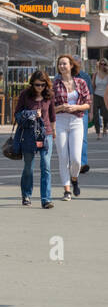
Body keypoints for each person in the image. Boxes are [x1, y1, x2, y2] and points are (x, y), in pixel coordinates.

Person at [14, 70, 56, 208]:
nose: (40, 88)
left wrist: (53, 132)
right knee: (28, 167)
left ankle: (46, 199)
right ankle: (26, 194)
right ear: (32, 84)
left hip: (45, 134)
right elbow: (17, 114)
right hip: (29, 135)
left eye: (43, 85)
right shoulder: (25, 95)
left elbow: (52, 116)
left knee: (46, 165)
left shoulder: (49, 95)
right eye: (37, 85)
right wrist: (32, 113)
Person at [52, 54, 90, 200]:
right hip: (60, 121)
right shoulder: (55, 84)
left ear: (71, 65)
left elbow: (87, 104)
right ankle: (67, 190)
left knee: (76, 159)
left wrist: (75, 107)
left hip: (76, 121)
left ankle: (74, 178)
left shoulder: (81, 82)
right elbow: (49, 108)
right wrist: (60, 107)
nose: (62, 66)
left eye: (64, 64)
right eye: (60, 64)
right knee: (63, 157)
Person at [76, 60, 94, 173]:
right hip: (67, 113)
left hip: (83, 111)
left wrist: (91, 111)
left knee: (82, 138)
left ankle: (82, 163)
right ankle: (73, 162)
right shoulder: (61, 76)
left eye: (79, 63)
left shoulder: (85, 76)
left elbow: (90, 95)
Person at [93, 59, 108, 140]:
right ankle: (98, 133)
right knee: (96, 115)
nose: (102, 65)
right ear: (99, 65)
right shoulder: (95, 74)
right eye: (101, 64)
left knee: (105, 114)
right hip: (96, 96)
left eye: (104, 64)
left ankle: (105, 127)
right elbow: (93, 85)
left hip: (105, 96)